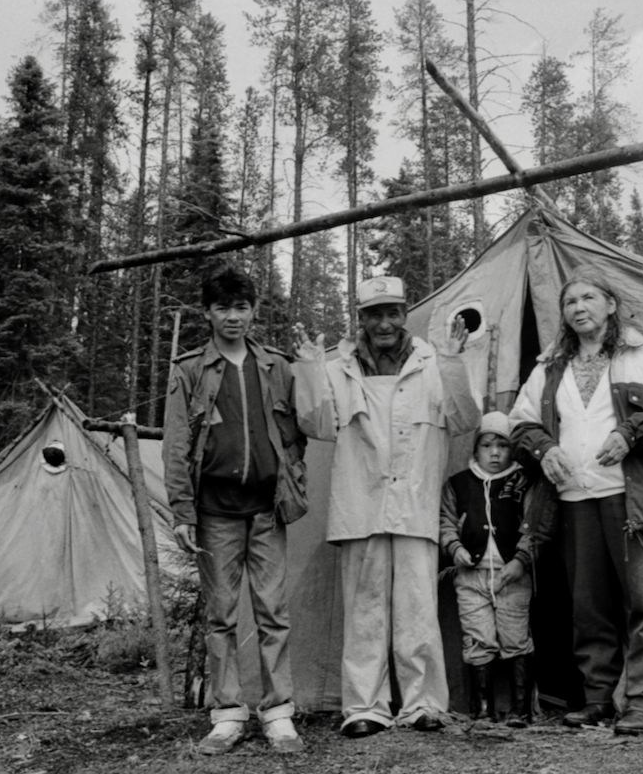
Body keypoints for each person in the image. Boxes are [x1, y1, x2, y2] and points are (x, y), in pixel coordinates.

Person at [294, 275, 481, 738]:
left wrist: (455, 360)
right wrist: (311, 368)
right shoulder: (339, 367)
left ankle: (424, 704)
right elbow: (318, 424)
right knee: (364, 611)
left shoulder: (434, 361)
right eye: (373, 314)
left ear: (404, 314)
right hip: (359, 505)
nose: (384, 323)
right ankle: (365, 707)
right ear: (360, 318)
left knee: (418, 608)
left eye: (392, 312)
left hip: (415, 504)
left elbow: (464, 419)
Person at [509, 267, 643, 736]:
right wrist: (544, 449)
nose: (579, 308)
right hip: (573, 498)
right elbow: (521, 423)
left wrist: (630, 432)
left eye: (589, 298)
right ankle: (598, 698)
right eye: (570, 302)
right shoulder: (549, 366)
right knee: (587, 605)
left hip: (633, 501)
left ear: (611, 304)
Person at [162, 268, 308, 755]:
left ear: (254, 311)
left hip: (267, 509)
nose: (233, 317)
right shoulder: (189, 370)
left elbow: (301, 428)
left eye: (241, 307)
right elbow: (177, 443)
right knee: (222, 616)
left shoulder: (276, 366)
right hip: (214, 511)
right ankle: (227, 715)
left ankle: (278, 714)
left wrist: (292, 475)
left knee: (273, 613)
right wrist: (182, 510)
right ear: (207, 313)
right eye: (223, 308)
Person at [438, 411, 536, 727]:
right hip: (471, 576)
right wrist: (456, 549)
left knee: (515, 636)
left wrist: (521, 560)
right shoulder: (458, 484)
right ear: (475, 449)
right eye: (487, 445)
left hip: (512, 576)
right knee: (478, 637)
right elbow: (445, 522)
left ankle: (521, 709)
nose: (495, 453)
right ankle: (482, 708)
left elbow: (535, 526)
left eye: (503, 446)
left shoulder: (524, 481)